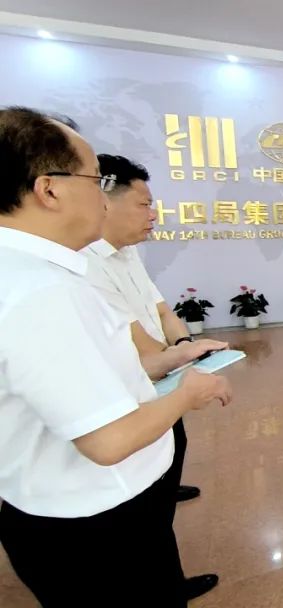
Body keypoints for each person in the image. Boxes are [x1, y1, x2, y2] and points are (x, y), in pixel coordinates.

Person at [0, 106, 232, 606]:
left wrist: (172, 360)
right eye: (94, 180)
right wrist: (187, 393)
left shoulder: (28, 272)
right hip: (95, 525)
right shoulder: (42, 291)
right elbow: (107, 440)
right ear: (49, 189)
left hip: (66, 510)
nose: (102, 199)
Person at [81, 153, 223, 600]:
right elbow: (140, 346)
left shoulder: (128, 255)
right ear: (105, 199)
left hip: (158, 385)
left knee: (169, 462)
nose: (153, 214)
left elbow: (162, 311)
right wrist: (181, 363)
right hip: (130, 398)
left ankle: (166, 570)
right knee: (141, 513)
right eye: (144, 204)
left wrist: (184, 346)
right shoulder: (85, 264)